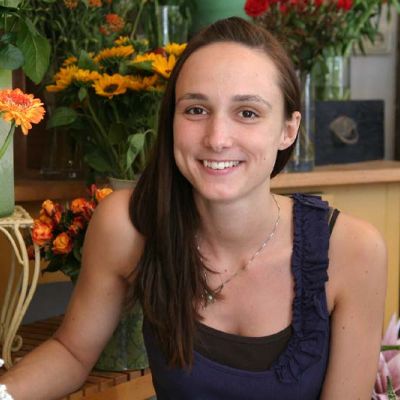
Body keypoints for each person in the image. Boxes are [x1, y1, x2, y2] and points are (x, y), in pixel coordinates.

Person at [0, 17, 387, 400]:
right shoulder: (127, 224)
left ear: (288, 129)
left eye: (247, 113)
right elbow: (71, 353)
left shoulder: (352, 250)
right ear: (171, 120)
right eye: (196, 110)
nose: (217, 139)